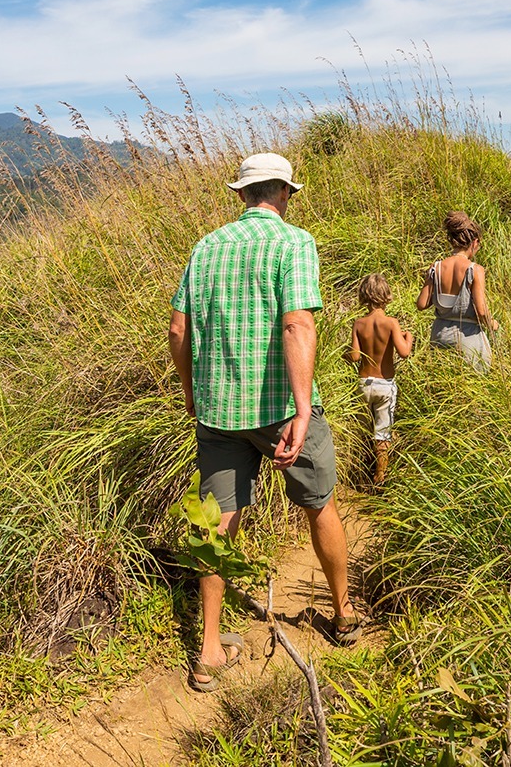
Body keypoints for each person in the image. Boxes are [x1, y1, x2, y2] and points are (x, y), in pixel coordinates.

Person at [167, 151, 360, 693]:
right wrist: (302, 410)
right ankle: (343, 614)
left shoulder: (206, 248)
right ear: (284, 194)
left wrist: (191, 391)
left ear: (242, 196)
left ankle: (208, 650)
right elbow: (297, 324)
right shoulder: (293, 242)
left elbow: (179, 330)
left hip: (218, 410)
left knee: (216, 520)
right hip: (280, 408)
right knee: (319, 503)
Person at [346, 273, 414, 488]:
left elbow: (355, 356)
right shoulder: (391, 323)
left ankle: (356, 470)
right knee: (383, 433)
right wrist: (408, 338)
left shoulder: (359, 324)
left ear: (364, 296)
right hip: (385, 384)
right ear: (386, 296)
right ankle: (379, 476)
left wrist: (344, 354)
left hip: (364, 383)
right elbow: (403, 353)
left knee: (362, 428)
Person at [417, 211, 499, 370]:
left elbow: (421, 304)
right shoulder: (475, 270)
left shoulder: (436, 267)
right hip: (467, 338)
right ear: (474, 243)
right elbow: (481, 311)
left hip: (440, 336)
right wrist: (492, 324)